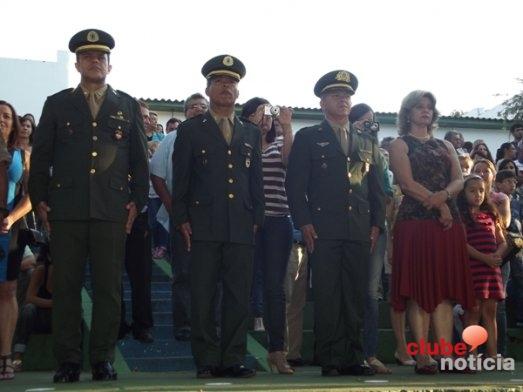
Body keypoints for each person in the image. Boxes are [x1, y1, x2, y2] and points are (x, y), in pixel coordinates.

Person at [28, 29, 149, 383]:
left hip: (112, 210)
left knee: (109, 288)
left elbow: (139, 161)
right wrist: (40, 202)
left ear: (110, 65)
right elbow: (42, 158)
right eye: (88, 56)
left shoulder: (126, 105)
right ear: (78, 63)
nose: (95, 61)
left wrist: (137, 202)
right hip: (65, 210)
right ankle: (67, 360)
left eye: (101, 57)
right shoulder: (57, 103)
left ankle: (102, 359)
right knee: (65, 287)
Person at [286, 70, 385, 377]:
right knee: (328, 293)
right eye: (335, 95)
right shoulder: (308, 137)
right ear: (322, 102)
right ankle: (329, 357)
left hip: (358, 228)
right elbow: (295, 185)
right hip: (323, 228)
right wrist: (304, 222)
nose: (343, 100)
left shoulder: (366, 142)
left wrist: (376, 225)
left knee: (355, 293)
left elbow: (376, 188)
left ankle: (353, 357)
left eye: (346, 95)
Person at [172, 55, 264, 378]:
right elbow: (180, 178)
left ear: (238, 92)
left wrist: (258, 217)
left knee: (239, 295)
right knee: (204, 294)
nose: (227, 87)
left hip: (241, 223)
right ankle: (207, 359)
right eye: (220, 82)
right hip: (203, 224)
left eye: (232, 83)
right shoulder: (191, 129)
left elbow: (256, 180)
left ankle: (233, 357)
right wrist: (180, 216)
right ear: (208, 89)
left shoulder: (250, 132)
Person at [389, 90, 475, 374]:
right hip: (415, 222)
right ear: (408, 113)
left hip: (449, 224)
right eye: (418, 107)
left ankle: (446, 356)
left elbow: (459, 181)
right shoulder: (400, 144)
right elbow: (406, 182)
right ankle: (424, 356)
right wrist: (439, 205)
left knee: (445, 293)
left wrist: (443, 198)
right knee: (419, 289)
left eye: (429, 108)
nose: (425, 111)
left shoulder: (445, 145)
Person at [241, 97, 294, 374]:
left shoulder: (279, 143)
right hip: (245, 223)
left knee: (274, 288)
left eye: (268, 114)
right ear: (247, 116)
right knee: (240, 283)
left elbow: (289, 162)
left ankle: (277, 351)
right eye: (258, 113)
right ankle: (234, 349)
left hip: (277, 222)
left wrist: (287, 127)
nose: (264, 119)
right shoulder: (239, 143)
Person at [150, 92, 208, 342]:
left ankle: (208, 324)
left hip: (213, 217)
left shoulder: (219, 139)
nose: (197, 110)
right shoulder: (171, 138)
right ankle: (183, 325)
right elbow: (157, 176)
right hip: (181, 214)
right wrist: (175, 210)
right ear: (185, 112)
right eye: (193, 107)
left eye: (202, 106)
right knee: (183, 272)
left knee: (210, 274)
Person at [348, 103, 391, 374]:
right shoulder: (343, 145)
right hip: (346, 225)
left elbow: (383, 189)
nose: (370, 127)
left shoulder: (378, 152)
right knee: (346, 289)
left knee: (370, 292)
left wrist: (378, 224)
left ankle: (370, 353)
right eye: (364, 122)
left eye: (373, 122)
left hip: (375, 225)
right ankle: (343, 352)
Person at [457, 175, 506, 358]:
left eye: (481, 190)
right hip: (473, 270)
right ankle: (471, 354)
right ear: (463, 194)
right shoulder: (462, 217)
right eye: (472, 190)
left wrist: (497, 255)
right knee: (473, 312)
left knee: (490, 313)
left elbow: (502, 242)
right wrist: (485, 258)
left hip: (491, 272)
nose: (477, 194)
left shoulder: (491, 215)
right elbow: (462, 245)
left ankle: (492, 355)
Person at [0, 101, 32, 381]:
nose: (2, 119)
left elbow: (30, 197)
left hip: (10, 228)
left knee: (8, 290)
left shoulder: (22, 154)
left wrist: (11, 218)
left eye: (7, 116)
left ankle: (5, 355)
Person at [119, 101, 155, 344]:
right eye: (138, 117)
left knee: (141, 275)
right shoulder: (118, 142)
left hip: (140, 216)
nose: (143, 120)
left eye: (145, 116)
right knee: (112, 275)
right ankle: (118, 323)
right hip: (113, 216)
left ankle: (143, 326)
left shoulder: (155, 146)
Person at [12, 243, 52, 371]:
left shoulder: (67, 273)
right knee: (28, 310)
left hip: (59, 316)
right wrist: (52, 304)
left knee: (76, 313)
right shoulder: (41, 271)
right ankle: (17, 358)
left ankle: (72, 359)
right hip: (40, 314)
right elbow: (30, 298)